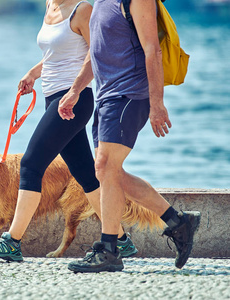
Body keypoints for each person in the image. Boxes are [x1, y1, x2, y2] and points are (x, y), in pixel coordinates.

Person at [0, 0, 138, 262]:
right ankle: (120, 240)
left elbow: (97, 54)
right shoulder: (50, 6)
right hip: (53, 99)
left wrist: (74, 91)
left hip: (75, 100)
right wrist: (33, 73)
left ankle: (12, 241)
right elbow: (55, 54)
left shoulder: (82, 10)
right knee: (85, 173)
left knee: (30, 163)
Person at [63, 0, 201, 273]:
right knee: (110, 173)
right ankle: (178, 222)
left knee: (105, 167)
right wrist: (75, 90)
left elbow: (153, 49)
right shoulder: (101, 2)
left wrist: (156, 103)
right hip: (105, 96)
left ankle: (109, 249)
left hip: (128, 94)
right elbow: (96, 52)